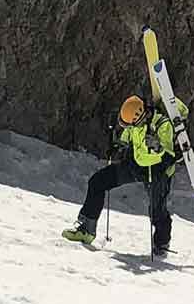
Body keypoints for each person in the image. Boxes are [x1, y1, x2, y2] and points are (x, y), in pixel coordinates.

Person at [61, 94, 184, 257]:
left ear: (140, 116)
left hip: (157, 171)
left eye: (130, 123)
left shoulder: (162, 124)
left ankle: (161, 244)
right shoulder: (133, 124)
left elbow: (169, 156)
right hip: (135, 166)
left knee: (157, 210)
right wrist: (117, 145)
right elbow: (125, 137)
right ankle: (86, 229)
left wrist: (157, 147)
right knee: (98, 182)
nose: (129, 126)